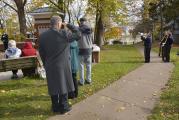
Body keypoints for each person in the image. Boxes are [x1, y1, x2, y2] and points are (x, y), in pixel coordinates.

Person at [39, 16, 81, 114]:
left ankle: (55, 107)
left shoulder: (43, 36)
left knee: (53, 85)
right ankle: (64, 106)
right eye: (61, 23)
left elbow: (41, 52)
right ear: (59, 24)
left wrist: (46, 63)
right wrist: (68, 25)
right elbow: (78, 34)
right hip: (63, 64)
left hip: (49, 64)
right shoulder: (64, 33)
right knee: (63, 84)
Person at [78, 17, 93, 85]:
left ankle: (81, 81)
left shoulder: (78, 29)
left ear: (80, 22)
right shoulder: (91, 29)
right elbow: (92, 39)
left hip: (81, 49)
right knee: (88, 65)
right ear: (86, 21)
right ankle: (88, 80)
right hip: (89, 49)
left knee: (81, 66)